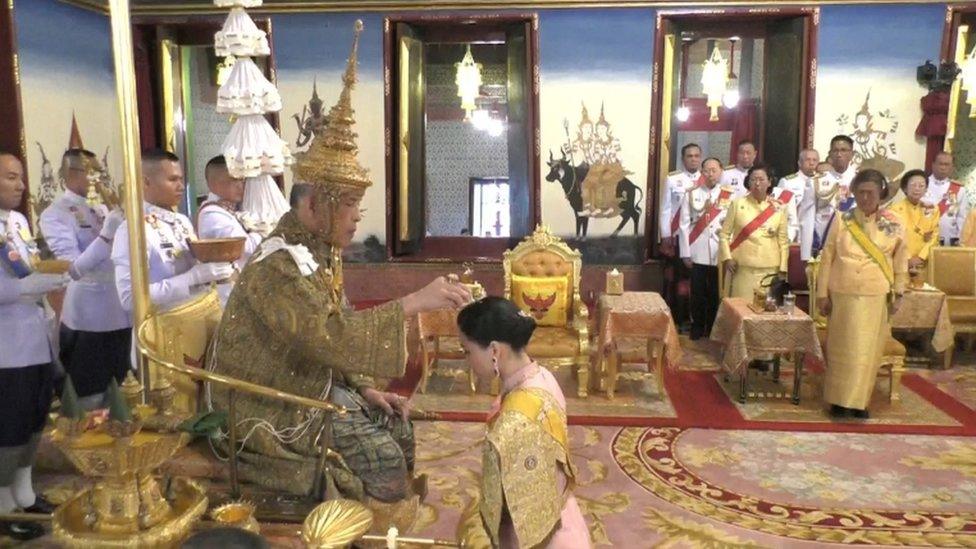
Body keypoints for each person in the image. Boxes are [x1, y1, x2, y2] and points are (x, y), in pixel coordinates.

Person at [209, 38, 472, 513]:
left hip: (312, 378)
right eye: (348, 206)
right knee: (384, 454)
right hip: (270, 399)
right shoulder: (278, 265)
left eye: (356, 205)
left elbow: (339, 321)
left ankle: (379, 521)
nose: (356, 219)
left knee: (396, 421)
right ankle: (359, 528)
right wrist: (414, 301)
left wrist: (366, 386)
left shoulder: (320, 252)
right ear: (313, 205)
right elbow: (327, 334)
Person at [455, 297, 590, 549]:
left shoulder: (515, 423)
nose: (466, 360)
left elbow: (528, 521)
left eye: (467, 351)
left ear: (494, 351)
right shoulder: (542, 376)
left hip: (537, 535)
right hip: (560, 509)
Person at [0, 152, 70, 540]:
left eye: (20, 178)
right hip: (5, 349)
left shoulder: (18, 222)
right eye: (11, 178)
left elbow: (29, 264)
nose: (21, 185)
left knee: (32, 422)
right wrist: (20, 289)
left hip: (35, 339)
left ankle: (25, 495)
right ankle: (4, 507)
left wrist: (47, 278)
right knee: (7, 429)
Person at [38, 148, 130, 410]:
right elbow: (73, 267)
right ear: (69, 174)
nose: (96, 180)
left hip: (119, 308)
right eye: (90, 173)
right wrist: (107, 234)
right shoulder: (55, 213)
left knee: (124, 390)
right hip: (88, 312)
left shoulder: (103, 208)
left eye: (98, 172)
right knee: (89, 395)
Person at [816, 169, 908, 419]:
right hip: (843, 292)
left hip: (875, 293)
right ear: (854, 192)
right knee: (841, 349)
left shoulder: (894, 223)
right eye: (861, 192)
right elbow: (827, 258)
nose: (865, 197)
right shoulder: (842, 219)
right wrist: (821, 294)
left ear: (881, 194)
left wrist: (899, 292)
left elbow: (900, 261)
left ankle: (859, 402)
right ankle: (837, 400)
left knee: (866, 352)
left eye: (871, 193)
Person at [111, 149, 233, 313]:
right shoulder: (133, 229)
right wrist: (192, 278)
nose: (181, 187)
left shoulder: (181, 220)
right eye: (172, 179)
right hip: (162, 328)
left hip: (198, 317)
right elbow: (130, 298)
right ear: (146, 182)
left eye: (181, 179)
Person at [196, 155, 264, 306]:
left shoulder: (229, 209)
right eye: (235, 180)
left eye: (242, 180)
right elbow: (245, 248)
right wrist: (262, 232)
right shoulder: (212, 214)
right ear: (214, 184)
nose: (241, 185)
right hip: (227, 294)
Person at [679, 157, 733, 340]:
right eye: (707, 171)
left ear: (721, 171)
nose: (711, 174)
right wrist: (685, 253)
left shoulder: (730, 195)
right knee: (698, 292)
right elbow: (684, 225)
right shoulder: (692, 194)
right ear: (702, 173)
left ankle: (712, 327)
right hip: (698, 249)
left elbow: (733, 226)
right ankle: (697, 326)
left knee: (715, 292)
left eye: (714, 170)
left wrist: (730, 252)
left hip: (719, 250)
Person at [719, 163, 789, 300]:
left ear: (769, 182)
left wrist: (783, 268)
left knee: (767, 312)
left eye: (761, 179)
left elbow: (783, 241)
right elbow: (724, 235)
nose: (757, 183)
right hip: (742, 268)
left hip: (770, 267)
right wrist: (727, 258)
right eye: (753, 180)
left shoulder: (779, 207)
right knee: (742, 310)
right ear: (748, 182)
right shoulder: (737, 204)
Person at [660, 143, 702, 330]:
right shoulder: (673, 179)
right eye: (689, 156)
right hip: (678, 237)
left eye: (696, 156)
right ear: (683, 158)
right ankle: (678, 319)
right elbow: (665, 208)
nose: (693, 159)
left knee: (698, 281)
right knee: (678, 281)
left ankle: (697, 318)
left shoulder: (707, 179)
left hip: (700, 237)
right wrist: (666, 234)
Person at [803, 135, 857, 259]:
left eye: (844, 150)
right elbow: (806, 216)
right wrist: (806, 253)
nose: (839, 154)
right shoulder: (816, 181)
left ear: (852, 154)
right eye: (835, 150)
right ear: (830, 154)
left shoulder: (861, 180)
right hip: (822, 243)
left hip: (852, 244)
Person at [889, 170, 939, 286]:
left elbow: (935, 236)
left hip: (924, 263)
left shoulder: (933, 209)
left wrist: (921, 257)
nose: (917, 189)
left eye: (921, 186)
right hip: (902, 261)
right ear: (905, 188)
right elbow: (893, 238)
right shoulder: (894, 210)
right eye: (913, 185)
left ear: (926, 189)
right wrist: (907, 258)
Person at [924, 152, 968, 246]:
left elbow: (961, 218)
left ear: (952, 168)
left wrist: (960, 240)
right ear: (933, 165)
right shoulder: (922, 185)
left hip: (948, 240)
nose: (943, 167)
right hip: (923, 238)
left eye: (947, 164)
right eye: (940, 163)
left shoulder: (959, 189)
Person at [780, 148, 819, 249]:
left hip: (817, 233)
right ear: (799, 163)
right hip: (797, 234)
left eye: (814, 160)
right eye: (808, 160)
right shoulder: (787, 182)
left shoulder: (822, 181)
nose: (811, 163)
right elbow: (780, 211)